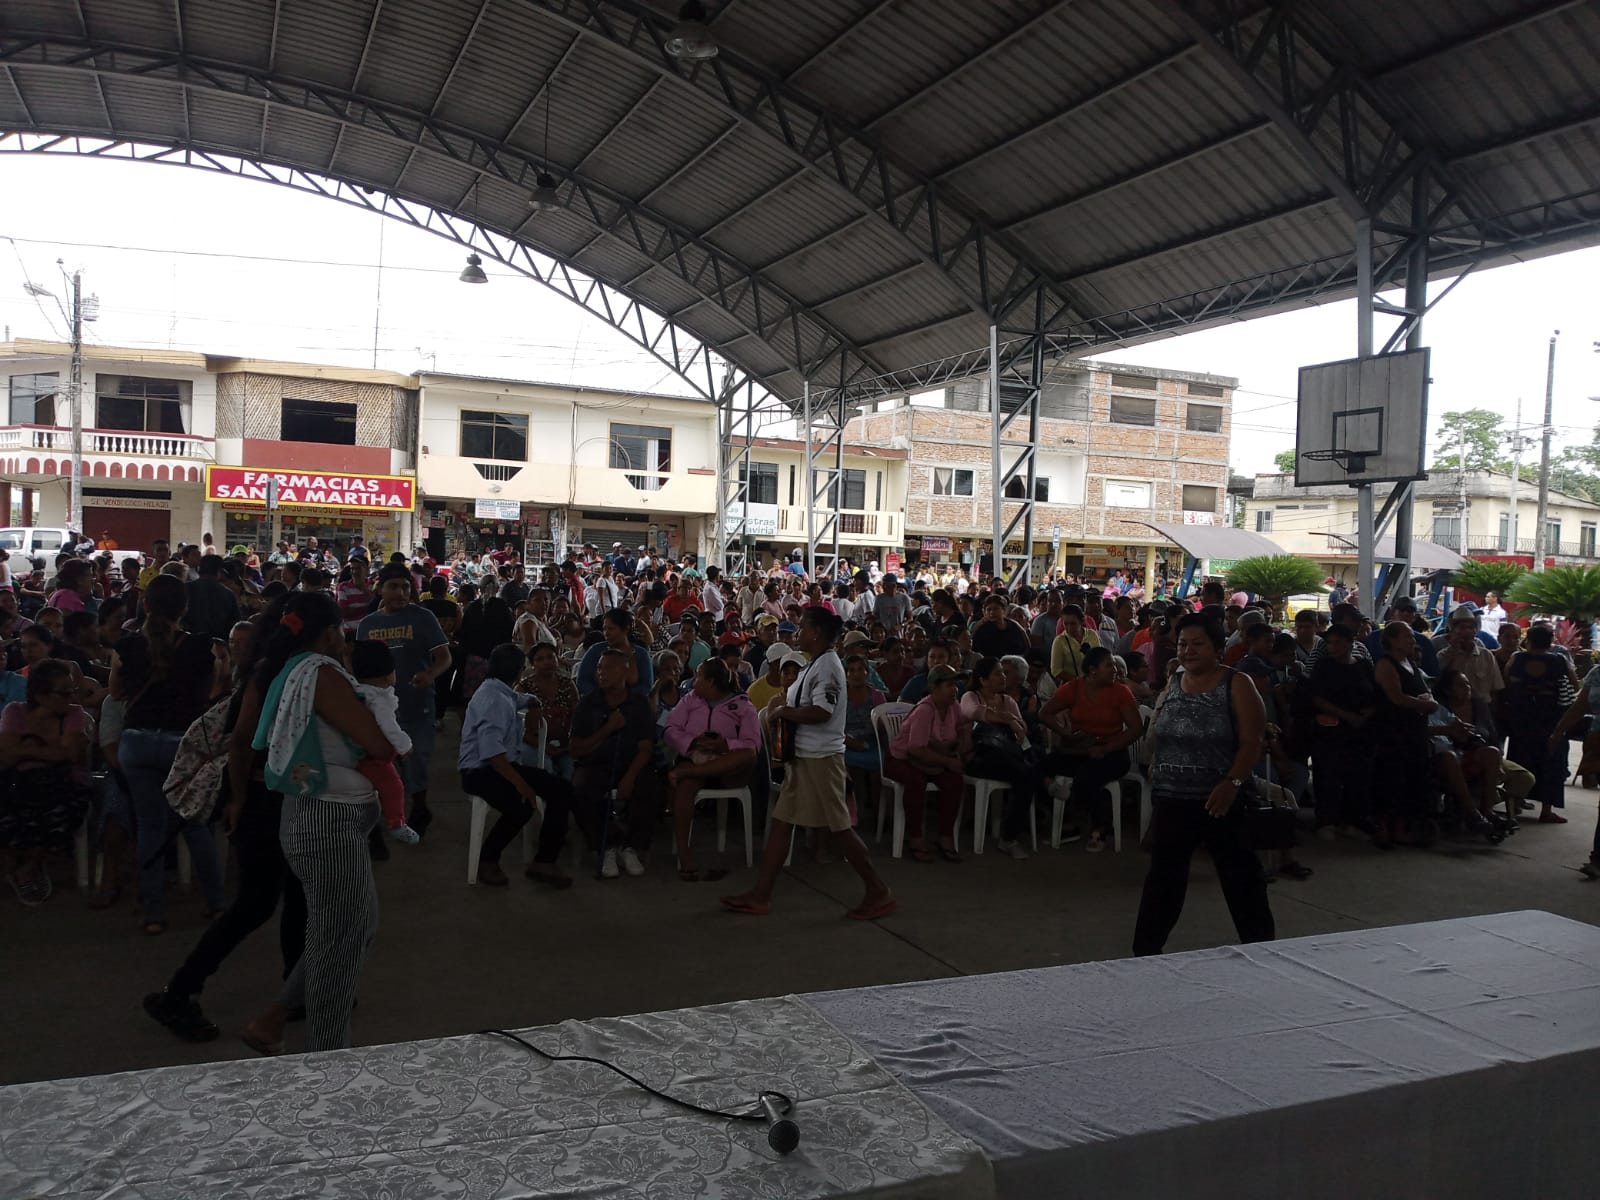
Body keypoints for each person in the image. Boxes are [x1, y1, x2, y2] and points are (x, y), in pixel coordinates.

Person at [238, 591, 395, 1055]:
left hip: (325, 818)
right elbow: (380, 745)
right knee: (337, 948)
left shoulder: (295, 669)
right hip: (326, 822)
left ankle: (274, 1018)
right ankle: (327, 1056)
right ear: (329, 632)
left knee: (355, 927)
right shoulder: (321, 674)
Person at [141, 602, 307, 1044]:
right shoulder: (276, 675)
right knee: (257, 903)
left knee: (294, 896)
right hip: (264, 800)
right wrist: (239, 798)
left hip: (269, 798)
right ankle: (179, 992)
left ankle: (295, 990)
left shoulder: (270, 671)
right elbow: (242, 743)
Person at [721, 606, 895, 918]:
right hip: (805, 757)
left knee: (840, 828)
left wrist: (783, 711)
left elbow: (822, 712)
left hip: (821, 759)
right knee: (782, 822)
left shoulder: (828, 666)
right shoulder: (815, 664)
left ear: (816, 632)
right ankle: (761, 893)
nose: (798, 633)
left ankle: (878, 889)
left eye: (802, 628)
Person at [1131, 613, 1274, 955]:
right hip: (1172, 800)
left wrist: (1232, 782)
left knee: (1241, 880)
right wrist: (1157, 766)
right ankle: (1144, 955)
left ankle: (1262, 951)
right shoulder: (1175, 681)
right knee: (1163, 881)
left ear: (1218, 647)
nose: (1188, 651)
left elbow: (1252, 742)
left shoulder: (1237, 684)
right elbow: (1163, 731)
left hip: (1221, 801)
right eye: (1182, 644)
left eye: (1198, 644)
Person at [111, 574, 229, 935]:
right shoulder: (204, 646)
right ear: (185, 607)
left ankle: (154, 913)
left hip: (136, 742)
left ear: (145, 605)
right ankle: (216, 903)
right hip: (183, 743)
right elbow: (213, 692)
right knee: (194, 825)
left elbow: (116, 692)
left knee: (150, 826)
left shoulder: (126, 646)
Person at [457, 642, 577, 887]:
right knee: (521, 805)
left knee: (561, 789)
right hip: (480, 771)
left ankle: (544, 861)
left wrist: (533, 702)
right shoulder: (494, 700)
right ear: (519, 672)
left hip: (500, 765)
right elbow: (492, 752)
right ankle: (488, 859)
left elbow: (519, 698)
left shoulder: (499, 690)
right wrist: (521, 784)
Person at [357, 565, 450, 842]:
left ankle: (419, 807)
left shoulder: (423, 618)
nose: (401, 592)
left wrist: (430, 674)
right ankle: (380, 822)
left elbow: (444, 657)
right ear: (380, 589)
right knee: (380, 766)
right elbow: (358, 667)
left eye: (406, 587)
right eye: (394, 586)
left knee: (416, 758)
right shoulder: (368, 625)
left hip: (417, 704)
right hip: (378, 710)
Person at [0, 659, 92, 905]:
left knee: (56, 809)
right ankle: (17, 861)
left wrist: (26, 749)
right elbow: (6, 755)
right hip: (18, 782)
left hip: (64, 784)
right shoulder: (14, 711)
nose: (71, 697)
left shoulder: (74, 713)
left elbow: (72, 754)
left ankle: (28, 867)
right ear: (40, 695)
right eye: (64, 693)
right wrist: (52, 749)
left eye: (73, 691)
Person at [1037, 646, 1142, 852]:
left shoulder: (1121, 692)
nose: (1115, 670)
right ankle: (1067, 824)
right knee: (1036, 769)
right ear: (1093, 670)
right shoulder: (1074, 688)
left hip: (1113, 752)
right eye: (1109, 665)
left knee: (1087, 778)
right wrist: (1066, 734)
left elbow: (1136, 729)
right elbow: (1044, 713)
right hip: (1081, 750)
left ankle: (1100, 828)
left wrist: (1106, 748)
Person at [663, 659, 760, 882]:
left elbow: (753, 743)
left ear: (711, 682)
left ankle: (688, 773)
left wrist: (725, 745)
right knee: (685, 788)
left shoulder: (742, 705)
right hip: (694, 758)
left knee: (748, 755)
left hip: (726, 766)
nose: (693, 680)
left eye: (698, 676)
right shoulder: (690, 700)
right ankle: (684, 854)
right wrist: (693, 742)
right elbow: (670, 729)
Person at [569, 648, 659, 879]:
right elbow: (576, 748)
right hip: (595, 764)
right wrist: (607, 729)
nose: (602, 673)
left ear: (625, 672)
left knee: (651, 786)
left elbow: (646, 747)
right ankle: (606, 846)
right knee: (580, 789)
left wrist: (629, 777)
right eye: (599, 668)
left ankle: (631, 846)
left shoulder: (639, 703)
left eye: (609, 668)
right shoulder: (588, 703)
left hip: (631, 763)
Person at [885, 664, 968, 863]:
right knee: (916, 781)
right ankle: (915, 838)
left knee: (955, 781)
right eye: (949, 685)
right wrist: (948, 761)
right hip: (901, 759)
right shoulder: (925, 710)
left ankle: (945, 837)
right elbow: (916, 749)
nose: (955, 689)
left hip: (932, 759)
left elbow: (963, 727)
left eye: (955, 685)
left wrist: (961, 743)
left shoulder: (954, 707)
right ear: (934, 688)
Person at [962, 656, 1044, 858]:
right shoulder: (971, 696)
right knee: (1027, 773)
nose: (1003, 677)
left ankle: (1009, 836)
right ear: (983, 680)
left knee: (1025, 773)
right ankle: (1009, 838)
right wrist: (1008, 720)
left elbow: (1022, 729)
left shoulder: (1008, 701)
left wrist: (1015, 724)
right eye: (998, 673)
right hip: (978, 757)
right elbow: (974, 712)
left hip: (1007, 755)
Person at [1304, 623, 1377, 837]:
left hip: (1360, 731)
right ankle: (1327, 819)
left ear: (1350, 643)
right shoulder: (1324, 666)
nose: (1333, 647)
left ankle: (1354, 818)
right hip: (1331, 731)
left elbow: (1375, 693)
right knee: (1328, 775)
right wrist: (1346, 715)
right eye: (1330, 643)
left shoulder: (1363, 665)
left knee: (1358, 775)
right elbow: (1317, 698)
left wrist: (1367, 714)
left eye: (1338, 643)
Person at [1370, 622, 1438, 847]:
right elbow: (1396, 697)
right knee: (1390, 779)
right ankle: (1384, 829)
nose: (1412, 641)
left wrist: (1427, 700)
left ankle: (1400, 828)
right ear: (1392, 640)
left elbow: (1423, 690)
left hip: (1414, 731)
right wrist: (1424, 704)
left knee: (1409, 780)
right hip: (1394, 732)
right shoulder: (1386, 664)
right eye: (1407, 637)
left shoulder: (1410, 663)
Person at [348, 640, 420, 845]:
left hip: (354, 752)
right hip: (372, 759)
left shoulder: (358, 690)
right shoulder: (379, 699)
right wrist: (405, 746)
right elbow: (389, 726)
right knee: (394, 787)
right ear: (389, 675)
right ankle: (397, 824)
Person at [1505, 622, 1575, 825]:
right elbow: (1574, 683)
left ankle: (1515, 804)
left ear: (1528, 641)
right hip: (1550, 719)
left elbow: (1507, 680)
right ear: (1550, 642)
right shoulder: (1559, 660)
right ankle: (1546, 810)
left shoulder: (1517, 658)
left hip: (1522, 717)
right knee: (1551, 762)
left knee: (1520, 757)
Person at [517, 641, 578, 779]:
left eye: (550, 657)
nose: (546, 662)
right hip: (532, 743)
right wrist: (541, 745)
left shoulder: (568, 685)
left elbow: (577, 717)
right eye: (540, 659)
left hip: (564, 745)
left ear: (557, 659)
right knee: (546, 768)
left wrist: (569, 744)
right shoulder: (523, 688)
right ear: (532, 664)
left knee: (569, 770)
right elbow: (516, 725)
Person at [841, 654, 886, 833]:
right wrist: (851, 742)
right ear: (846, 674)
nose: (856, 674)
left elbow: (883, 726)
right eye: (851, 670)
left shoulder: (877, 695)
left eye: (860, 669)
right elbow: (834, 727)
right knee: (850, 771)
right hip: (845, 743)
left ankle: (878, 816)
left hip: (872, 743)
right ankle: (852, 817)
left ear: (867, 672)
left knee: (878, 770)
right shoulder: (840, 696)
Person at [575, 608, 655, 698]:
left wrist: (623, 697)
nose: (606, 633)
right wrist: (602, 697)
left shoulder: (641, 654)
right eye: (604, 629)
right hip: (597, 702)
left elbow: (646, 685)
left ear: (626, 629)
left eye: (611, 629)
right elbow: (582, 681)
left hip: (632, 703)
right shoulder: (596, 650)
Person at [1050, 604, 1099, 682]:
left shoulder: (1092, 635)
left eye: (1073, 624)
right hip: (1072, 685)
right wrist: (1079, 681)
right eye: (1066, 624)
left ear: (1082, 621)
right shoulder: (1059, 641)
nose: (1069, 628)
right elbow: (1056, 670)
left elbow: (1099, 659)